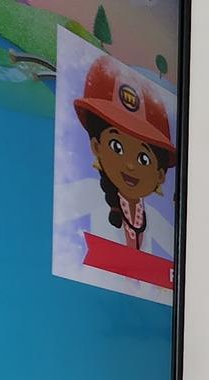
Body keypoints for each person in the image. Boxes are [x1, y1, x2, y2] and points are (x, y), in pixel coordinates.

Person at [74, 56, 175, 253]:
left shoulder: (152, 218)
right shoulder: (87, 193)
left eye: (143, 159)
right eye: (117, 147)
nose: (130, 165)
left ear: (160, 175)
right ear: (96, 146)